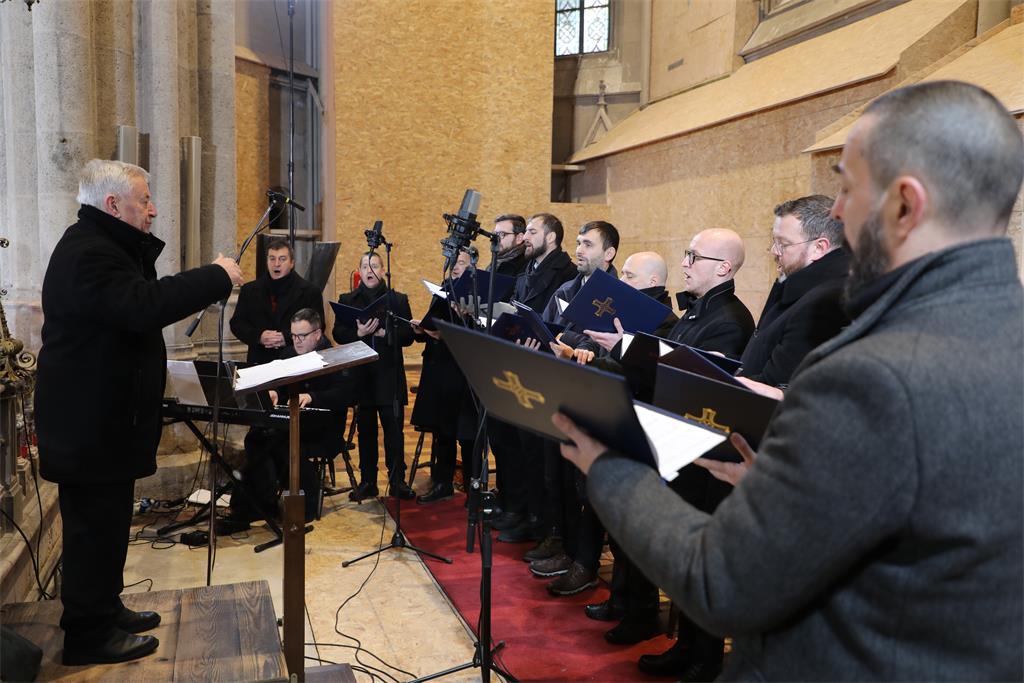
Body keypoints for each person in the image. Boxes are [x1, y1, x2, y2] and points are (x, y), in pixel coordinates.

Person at [553, 80, 1024, 681]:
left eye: (847, 187)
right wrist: (784, 485)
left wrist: (609, 463)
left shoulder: (871, 376)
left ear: (905, 204)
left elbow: (723, 582)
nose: (837, 212)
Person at [34, 159, 243, 665]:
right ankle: (88, 636)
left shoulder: (103, 246)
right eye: (144, 200)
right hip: (89, 425)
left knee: (108, 525)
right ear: (113, 204)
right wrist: (216, 276)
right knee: (93, 530)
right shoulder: (89, 252)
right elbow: (144, 305)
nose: (152, 210)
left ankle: (104, 610)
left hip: (103, 422)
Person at [225, 308, 354, 526]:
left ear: (317, 334)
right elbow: (280, 385)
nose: (297, 341)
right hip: (292, 422)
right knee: (256, 438)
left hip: (324, 428)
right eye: (293, 336)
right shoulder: (288, 355)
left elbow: (344, 395)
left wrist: (312, 397)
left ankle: (301, 506)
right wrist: (275, 391)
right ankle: (258, 504)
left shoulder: (334, 357)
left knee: (283, 445)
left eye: (302, 336)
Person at [738, 195, 850, 387]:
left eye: (783, 244)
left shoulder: (823, 303)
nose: (774, 251)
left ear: (819, 247)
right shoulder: (802, 289)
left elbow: (777, 383)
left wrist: (723, 380)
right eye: (774, 242)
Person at [333, 251, 415, 501]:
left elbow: (409, 336)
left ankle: (397, 480)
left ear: (383, 271)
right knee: (366, 431)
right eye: (365, 266)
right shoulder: (347, 299)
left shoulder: (397, 300)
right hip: (362, 376)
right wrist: (358, 333)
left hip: (389, 375)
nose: (370, 270)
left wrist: (385, 334)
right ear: (359, 271)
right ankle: (368, 481)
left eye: (375, 266)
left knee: (394, 431)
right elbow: (338, 333)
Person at [410, 250, 477, 503]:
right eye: (453, 262)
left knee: (468, 435)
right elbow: (434, 322)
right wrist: (422, 330)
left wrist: (458, 321)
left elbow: (480, 332)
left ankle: (473, 487)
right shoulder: (444, 288)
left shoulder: (477, 292)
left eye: (461, 263)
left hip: (466, 372)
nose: (455, 267)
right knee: (444, 431)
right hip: (441, 369)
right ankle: (442, 483)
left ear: (472, 267)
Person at [230, 237, 325, 364]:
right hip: (259, 361)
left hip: (295, 361)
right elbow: (237, 324)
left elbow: (319, 327)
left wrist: (287, 337)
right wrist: (259, 336)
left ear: (292, 263)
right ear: (267, 261)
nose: (276, 264)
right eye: (272, 259)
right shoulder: (249, 290)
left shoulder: (310, 292)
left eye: (282, 259)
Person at [489, 213, 529, 281]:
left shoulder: (527, 268)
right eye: (495, 234)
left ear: (519, 238)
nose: (495, 239)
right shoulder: (496, 261)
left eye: (502, 234)